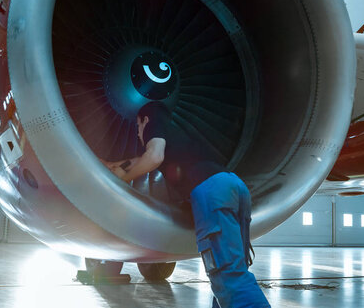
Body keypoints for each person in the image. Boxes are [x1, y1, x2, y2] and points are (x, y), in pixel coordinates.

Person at [102, 101, 270, 308]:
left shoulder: (154, 121)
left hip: (212, 191)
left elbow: (153, 157)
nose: (138, 133)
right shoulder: (178, 140)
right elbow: (133, 162)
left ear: (145, 120)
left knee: (227, 272)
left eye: (138, 126)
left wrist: (122, 181)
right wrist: (107, 166)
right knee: (234, 266)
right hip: (234, 186)